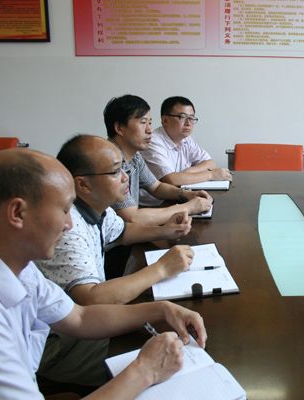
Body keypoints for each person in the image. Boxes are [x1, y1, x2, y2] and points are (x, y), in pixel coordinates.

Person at [0, 148, 207, 399]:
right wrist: (145, 370)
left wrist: (161, 310)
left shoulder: (15, 261)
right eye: (64, 210)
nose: (69, 224)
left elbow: (79, 317)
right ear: (18, 213)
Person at [34, 135, 196, 387]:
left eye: (123, 168)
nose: (125, 177)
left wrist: (165, 231)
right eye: (114, 171)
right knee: (174, 362)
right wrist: (162, 268)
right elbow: (91, 299)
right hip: (63, 349)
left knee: (170, 341)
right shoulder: (68, 227)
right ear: (83, 184)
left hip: (84, 323)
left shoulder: (96, 207)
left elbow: (122, 232)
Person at [103, 94, 213, 225]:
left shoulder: (135, 157)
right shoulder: (109, 162)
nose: (149, 130)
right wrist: (188, 208)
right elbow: (132, 218)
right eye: (143, 122)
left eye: (149, 123)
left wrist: (186, 194)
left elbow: (156, 187)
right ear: (119, 128)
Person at [140, 96, 232, 196]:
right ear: (165, 120)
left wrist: (187, 172)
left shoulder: (186, 139)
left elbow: (210, 163)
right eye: (182, 117)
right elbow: (171, 180)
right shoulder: (152, 142)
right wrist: (211, 174)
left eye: (191, 118)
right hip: (158, 203)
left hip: (179, 196)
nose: (188, 123)